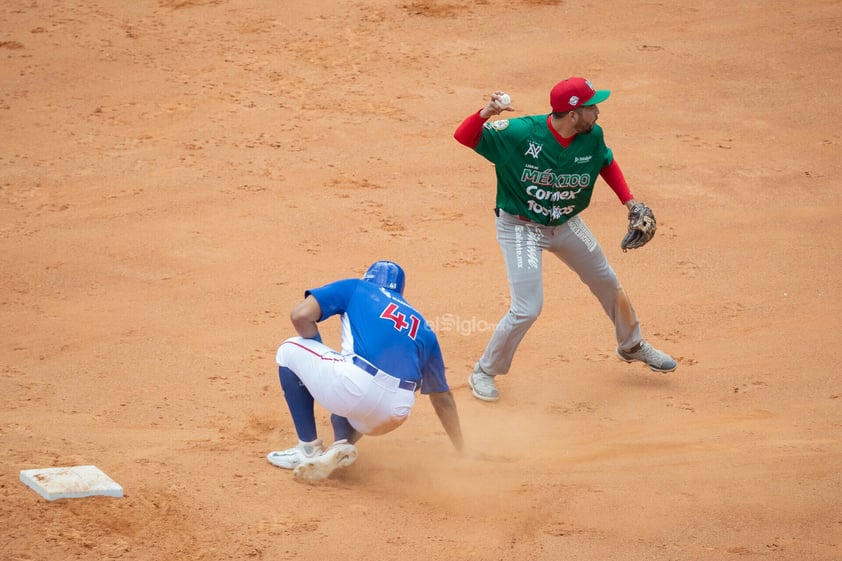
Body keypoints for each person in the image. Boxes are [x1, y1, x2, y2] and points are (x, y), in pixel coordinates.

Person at [453, 76, 677, 403]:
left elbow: (606, 163)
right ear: (573, 114)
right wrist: (487, 111)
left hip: (567, 222)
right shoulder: (520, 133)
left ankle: (631, 346)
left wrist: (629, 202)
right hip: (521, 226)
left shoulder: (592, 137)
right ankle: (484, 371)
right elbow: (464, 136)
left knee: (607, 281)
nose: (597, 112)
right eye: (591, 107)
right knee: (527, 308)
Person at [267, 260, 464, 482]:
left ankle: (307, 448)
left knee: (289, 350)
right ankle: (340, 445)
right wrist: (462, 451)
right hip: (394, 412)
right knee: (354, 392)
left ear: (368, 278)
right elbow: (442, 397)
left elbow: (300, 315)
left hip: (354, 386)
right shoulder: (422, 326)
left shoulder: (357, 288)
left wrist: (315, 357)